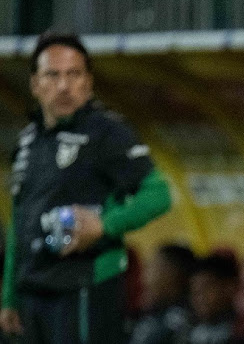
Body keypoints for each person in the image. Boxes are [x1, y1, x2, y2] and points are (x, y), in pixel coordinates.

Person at [0, 31, 172, 343]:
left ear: (88, 83)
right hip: (33, 290)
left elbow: (158, 195)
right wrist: (9, 295)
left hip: (83, 286)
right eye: (53, 75)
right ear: (35, 85)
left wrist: (104, 225)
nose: (64, 85)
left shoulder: (107, 134)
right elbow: (20, 218)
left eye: (74, 74)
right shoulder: (28, 141)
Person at [129, 244, 196, 344]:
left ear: (173, 276)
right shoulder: (149, 317)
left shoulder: (181, 323)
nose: (143, 278)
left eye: (153, 268)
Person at [187, 253, 239, 344]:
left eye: (206, 288)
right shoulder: (188, 330)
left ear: (230, 287)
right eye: (195, 291)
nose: (199, 298)